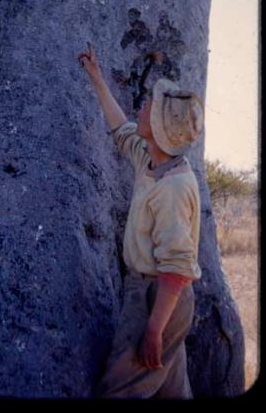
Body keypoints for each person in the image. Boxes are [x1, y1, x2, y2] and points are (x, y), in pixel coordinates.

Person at [77, 42, 204, 399]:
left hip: (159, 297)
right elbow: (122, 131)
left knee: (120, 388)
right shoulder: (151, 160)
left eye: (151, 107)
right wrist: (97, 79)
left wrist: (153, 329)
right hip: (160, 296)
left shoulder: (173, 187)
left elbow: (176, 267)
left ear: (161, 129)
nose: (144, 106)